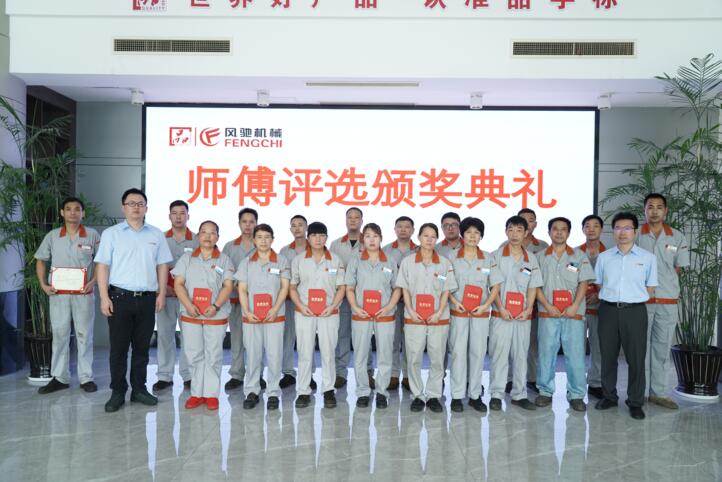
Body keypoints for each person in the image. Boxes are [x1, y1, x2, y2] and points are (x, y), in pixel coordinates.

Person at [95, 188, 173, 413]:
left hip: (147, 299)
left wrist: (161, 294)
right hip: (119, 298)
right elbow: (102, 266)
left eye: (140, 204)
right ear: (123, 208)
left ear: (146, 208)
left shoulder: (156, 234)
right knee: (118, 349)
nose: (136, 207)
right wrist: (104, 297)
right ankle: (118, 391)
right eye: (131, 203)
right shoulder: (111, 233)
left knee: (142, 349)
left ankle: (139, 389)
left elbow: (162, 266)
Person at [594, 212, 658, 420]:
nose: (623, 232)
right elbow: (599, 284)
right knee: (608, 356)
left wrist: (631, 298)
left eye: (627, 228)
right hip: (608, 310)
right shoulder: (604, 258)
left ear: (635, 231)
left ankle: (635, 401)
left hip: (635, 312)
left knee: (636, 358)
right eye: (618, 228)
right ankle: (609, 397)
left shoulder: (648, 258)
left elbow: (650, 288)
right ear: (613, 231)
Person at [35, 197, 101, 394]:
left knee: (84, 335)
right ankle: (60, 377)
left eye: (77, 209)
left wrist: (93, 282)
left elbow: (102, 262)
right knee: (60, 334)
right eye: (69, 209)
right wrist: (43, 285)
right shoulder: (53, 236)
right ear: (62, 213)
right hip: (58, 295)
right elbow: (40, 260)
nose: (73, 212)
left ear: (83, 213)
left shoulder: (92, 235)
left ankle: (86, 378)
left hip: (84, 293)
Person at [534, 217, 595, 412]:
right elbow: (534, 285)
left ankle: (576, 395)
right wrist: (547, 305)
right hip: (548, 313)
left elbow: (584, 282)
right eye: (555, 229)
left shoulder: (579, 256)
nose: (559, 232)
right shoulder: (539, 257)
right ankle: (545, 391)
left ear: (568, 233)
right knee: (546, 353)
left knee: (575, 355)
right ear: (549, 232)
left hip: (573, 314)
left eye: (563, 229)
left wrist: (575, 305)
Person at [171, 220, 234, 411]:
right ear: (198, 236)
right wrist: (188, 305)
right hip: (191, 313)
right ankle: (197, 393)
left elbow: (228, 286)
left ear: (217, 237)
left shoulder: (224, 260)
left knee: (213, 355)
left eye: (212, 232)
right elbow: (178, 284)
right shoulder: (187, 258)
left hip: (216, 314)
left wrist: (215, 306)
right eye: (204, 232)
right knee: (193, 353)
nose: (208, 236)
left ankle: (211, 395)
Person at [396, 223, 457, 413]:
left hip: (438, 318)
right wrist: (410, 309)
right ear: (419, 238)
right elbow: (404, 289)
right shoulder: (408, 262)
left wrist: (439, 312)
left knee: (437, 358)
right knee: (413, 357)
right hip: (414, 317)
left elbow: (446, 290)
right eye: (425, 236)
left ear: (437, 239)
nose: (429, 240)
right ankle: (417, 395)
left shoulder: (444, 263)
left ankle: (433, 395)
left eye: (433, 236)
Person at [637, 193, 689, 409]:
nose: (655, 211)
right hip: (641, 301)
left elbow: (678, 267)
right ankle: (639, 393)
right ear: (644, 210)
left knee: (661, 347)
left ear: (666, 211)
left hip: (667, 301)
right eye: (650, 207)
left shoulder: (677, 237)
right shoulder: (635, 234)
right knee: (640, 349)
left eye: (659, 207)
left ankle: (658, 393)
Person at [488, 215, 543, 411]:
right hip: (500, 315)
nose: (514, 234)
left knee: (521, 355)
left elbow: (533, 286)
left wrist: (528, 309)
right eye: (511, 229)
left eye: (519, 230)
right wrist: (501, 308)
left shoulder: (531, 258)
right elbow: (493, 286)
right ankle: (496, 394)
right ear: (506, 231)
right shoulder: (495, 256)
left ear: (526, 233)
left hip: (522, 317)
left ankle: (519, 395)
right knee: (499, 355)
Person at [290, 222, 346, 409]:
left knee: (328, 352)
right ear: (308, 238)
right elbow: (292, 287)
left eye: (322, 235)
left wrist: (333, 306)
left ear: (326, 238)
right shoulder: (299, 260)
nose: (318, 239)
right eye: (314, 235)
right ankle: (303, 391)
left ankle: (328, 390)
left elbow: (341, 287)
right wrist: (300, 305)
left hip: (328, 313)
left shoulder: (335, 260)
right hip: (304, 312)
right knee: (305, 352)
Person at [345, 223, 401, 409]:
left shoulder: (390, 261)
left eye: (375, 236)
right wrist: (354, 306)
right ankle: (362, 391)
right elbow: (349, 287)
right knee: (360, 354)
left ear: (381, 238)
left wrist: (389, 306)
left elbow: (397, 288)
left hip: (385, 314)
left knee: (385, 354)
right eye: (368, 236)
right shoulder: (355, 261)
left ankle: (382, 392)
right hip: (361, 314)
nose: (371, 240)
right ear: (363, 240)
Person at [236, 224, 291, 410]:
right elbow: (242, 289)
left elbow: (284, 287)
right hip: (251, 317)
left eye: (267, 237)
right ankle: (252, 390)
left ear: (272, 239)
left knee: (274, 354)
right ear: (254, 240)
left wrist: (275, 309)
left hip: (274, 316)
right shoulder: (246, 262)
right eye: (259, 237)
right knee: (252, 354)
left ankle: (273, 392)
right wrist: (246, 311)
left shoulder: (281, 261)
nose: (263, 241)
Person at [447, 217, 498, 413]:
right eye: (468, 232)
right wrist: (455, 302)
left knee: (477, 354)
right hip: (458, 313)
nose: (472, 236)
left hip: (480, 314)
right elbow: (445, 285)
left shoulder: (488, 258)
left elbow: (495, 286)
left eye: (476, 233)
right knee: (458, 353)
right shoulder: (452, 257)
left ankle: (475, 395)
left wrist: (485, 305)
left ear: (481, 236)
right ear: (462, 235)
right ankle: (457, 396)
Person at [154, 200, 198, 392]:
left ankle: (189, 376)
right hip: (165, 295)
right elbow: (152, 265)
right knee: (165, 335)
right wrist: (162, 288)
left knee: (189, 337)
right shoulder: (160, 239)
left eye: (182, 213)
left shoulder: (197, 239)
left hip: (189, 297)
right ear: (169, 216)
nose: (178, 217)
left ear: (188, 216)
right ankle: (164, 376)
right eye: (175, 213)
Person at [222, 207, 258, 391]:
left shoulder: (262, 244)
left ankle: (257, 375)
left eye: (251, 222)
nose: (248, 225)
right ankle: (237, 374)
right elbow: (222, 271)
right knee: (236, 340)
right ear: (239, 224)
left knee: (255, 341)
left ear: (256, 224)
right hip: (235, 301)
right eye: (244, 221)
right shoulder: (230, 247)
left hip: (256, 304)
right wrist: (236, 287)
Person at [329, 207, 365, 389]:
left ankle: (367, 373)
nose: (353, 220)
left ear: (362, 221)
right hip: (342, 298)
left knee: (363, 337)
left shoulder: (369, 242)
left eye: (356, 217)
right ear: (345, 220)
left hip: (363, 299)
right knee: (341, 335)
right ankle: (340, 373)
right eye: (349, 217)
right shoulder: (335, 245)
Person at [382, 216, 417, 391]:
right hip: (392, 302)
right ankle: (393, 375)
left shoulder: (420, 250)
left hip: (414, 303)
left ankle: (409, 376)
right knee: (393, 340)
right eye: (400, 226)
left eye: (407, 227)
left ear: (413, 230)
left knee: (410, 341)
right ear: (395, 229)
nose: (403, 229)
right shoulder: (385, 251)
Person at [517, 208, 548, 394]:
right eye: (523, 220)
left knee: (534, 342)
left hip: (536, 302)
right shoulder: (505, 246)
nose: (527, 223)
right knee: (513, 343)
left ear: (535, 224)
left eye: (531, 220)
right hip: (512, 303)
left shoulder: (543, 246)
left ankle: (533, 378)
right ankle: (511, 380)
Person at [278, 214, 309, 389]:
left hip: (309, 303)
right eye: (294, 225)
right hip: (289, 301)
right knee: (287, 337)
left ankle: (308, 374)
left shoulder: (316, 248)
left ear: (306, 227)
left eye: (300, 225)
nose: (297, 228)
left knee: (308, 339)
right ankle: (288, 372)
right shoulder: (284, 251)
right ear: (290, 229)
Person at [578, 214, 607, 400]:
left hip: (600, 308)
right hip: (578, 308)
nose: (591, 229)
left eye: (596, 226)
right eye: (587, 226)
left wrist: (599, 294)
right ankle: (576, 384)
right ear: (582, 230)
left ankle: (596, 383)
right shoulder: (574, 253)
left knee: (598, 347)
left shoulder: (610, 254)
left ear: (601, 229)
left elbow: (613, 280)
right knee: (576, 348)